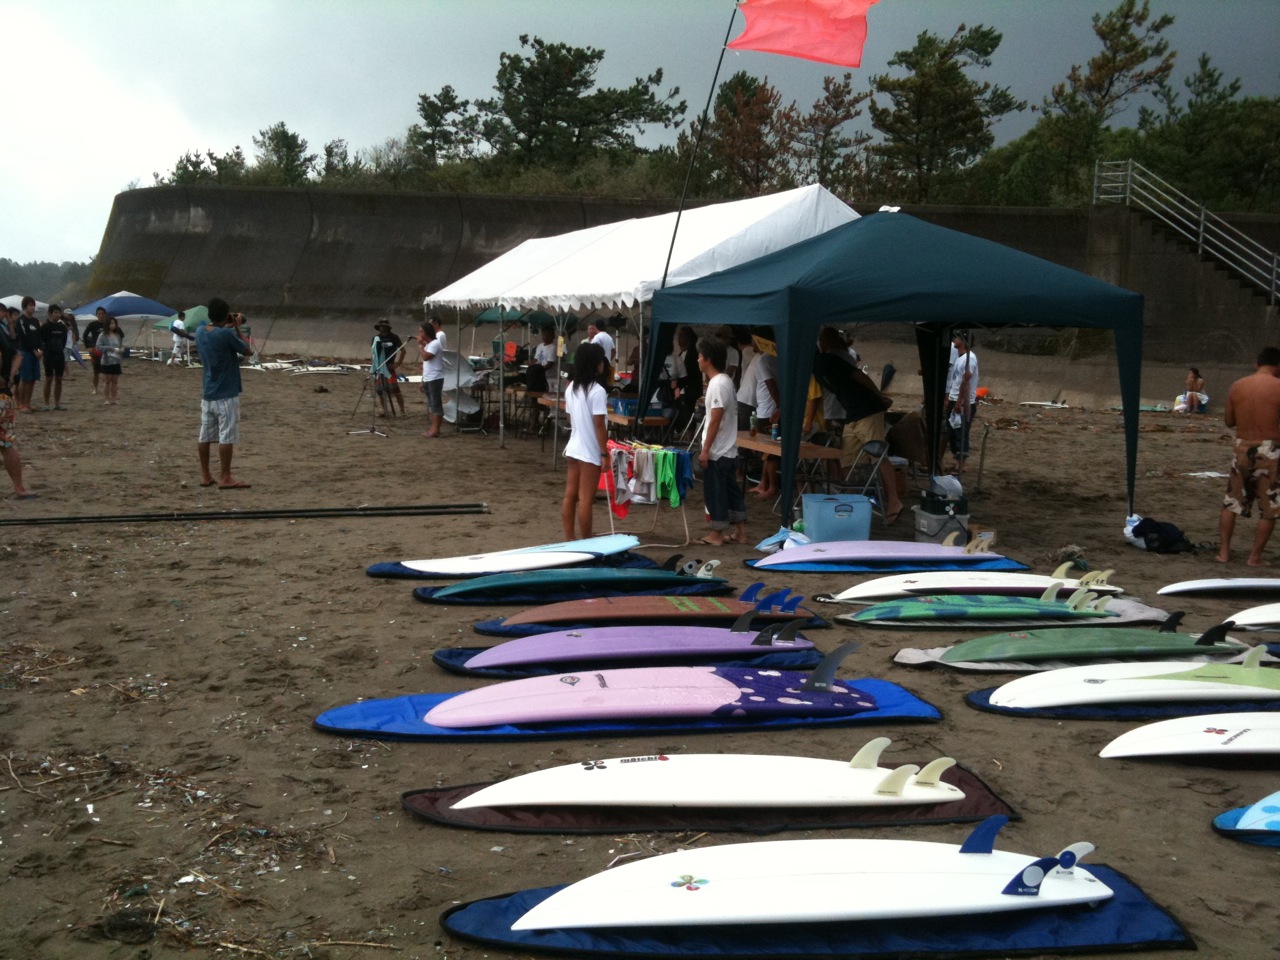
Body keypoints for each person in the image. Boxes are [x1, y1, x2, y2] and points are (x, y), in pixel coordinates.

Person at [812, 326, 904, 523]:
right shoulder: (819, 364)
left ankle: (894, 501)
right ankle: (853, 502)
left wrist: (879, 396)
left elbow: (859, 375)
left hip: (867, 409)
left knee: (878, 455)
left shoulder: (827, 360)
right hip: (852, 413)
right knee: (847, 458)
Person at [1216, 347, 1280, 565]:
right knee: (1269, 507)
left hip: (1243, 446)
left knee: (1231, 502)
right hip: (1270, 449)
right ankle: (1254, 557)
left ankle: (1224, 553)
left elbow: (1229, 421)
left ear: (1257, 364)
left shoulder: (1237, 386)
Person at [195, 297, 252, 489]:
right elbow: (247, 350)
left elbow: (215, 333)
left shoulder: (200, 331)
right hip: (226, 393)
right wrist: (237, 327)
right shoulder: (226, 335)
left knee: (205, 436)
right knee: (226, 435)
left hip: (208, 392)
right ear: (225, 314)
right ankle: (225, 477)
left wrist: (227, 325)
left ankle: (206, 475)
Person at [696, 337, 747, 545]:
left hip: (718, 450)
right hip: (728, 449)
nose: (698, 360)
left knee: (715, 492)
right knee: (732, 491)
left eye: (700, 356)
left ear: (708, 359)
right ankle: (740, 531)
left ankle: (716, 534)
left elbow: (715, 419)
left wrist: (705, 450)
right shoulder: (725, 381)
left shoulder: (717, 384)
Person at [560, 340, 609, 540]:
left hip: (573, 447)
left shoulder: (571, 388)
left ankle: (569, 537)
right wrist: (604, 453)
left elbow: (570, 417)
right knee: (586, 498)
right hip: (589, 450)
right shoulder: (597, 391)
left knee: (570, 495)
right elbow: (599, 425)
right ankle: (586, 539)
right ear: (595, 363)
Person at [946, 333, 979, 473]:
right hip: (954, 398)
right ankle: (957, 461)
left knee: (961, 432)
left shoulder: (969, 359)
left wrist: (960, 401)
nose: (954, 340)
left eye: (957, 338)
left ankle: (962, 464)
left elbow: (966, 381)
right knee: (952, 430)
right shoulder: (960, 358)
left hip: (964, 401)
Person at [0, 377, 34, 498]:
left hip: (2, 398)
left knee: (6, 445)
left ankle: (19, 488)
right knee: (6, 444)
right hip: (4, 397)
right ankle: (19, 488)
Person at [417, 315, 446, 438]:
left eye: (421, 332)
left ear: (427, 332)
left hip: (435, 378)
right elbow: (426, 365)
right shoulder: (428, 345)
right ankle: (433, 428)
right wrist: (422, 380)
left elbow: (426, 357)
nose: (419, 334)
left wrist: (420, 347)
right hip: (428, 378)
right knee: (431, 404)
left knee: (436, 404)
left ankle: (435, 429)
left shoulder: (435, 343)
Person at [372, 319, 405, 417]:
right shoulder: (376, 338)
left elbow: (403, 350)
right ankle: (384, 410)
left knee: (395, 390)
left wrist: (398, 363)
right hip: (379, 367)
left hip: (389, 367)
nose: (382, 328)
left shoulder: (394, 337)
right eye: (380, 326)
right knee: (380, 391)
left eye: (384, 326)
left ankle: (402, 410)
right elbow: (373, 353)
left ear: (387, 327)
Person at [14, 297, 42, 412]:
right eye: (30, 305)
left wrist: (40, 350)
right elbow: (24, 337)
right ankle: (21, 404)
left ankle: (28, 403)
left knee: (33, 379)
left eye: (33, 305)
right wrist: (33, 350)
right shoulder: (21, 320)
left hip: (36, 353)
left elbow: (39, 336)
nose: (32, 307)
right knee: (25, 379)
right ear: (25, 306)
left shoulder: (35, 321)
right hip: (25, 352)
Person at [38, 304, 69, 410]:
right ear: (50, 313)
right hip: (48, 355)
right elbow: (41, 341)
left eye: (59, 313)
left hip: (59, 355)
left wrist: (59, 349)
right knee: (49, 378)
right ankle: (46, 404)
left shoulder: (62, 327)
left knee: (59, 379)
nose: (57, 315)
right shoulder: (45, 327)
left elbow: (64, 341)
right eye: (55, 312)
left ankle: (57, 403)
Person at [97, 315, 125, 405]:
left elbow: (120, 345)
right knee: (107, 380)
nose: (113, 325)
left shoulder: (117, 335)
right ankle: (106, 398)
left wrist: (121, 349)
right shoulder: (102, 335)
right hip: (107, 361)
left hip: (116, 360)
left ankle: (114, 398)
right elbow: (98, 347)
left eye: (114, 323)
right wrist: (109, 348)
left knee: (115, 381)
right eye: (111, 323)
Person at [83, 307, 107, 395]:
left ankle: (105, 388)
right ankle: (95, 388)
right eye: (99, 314)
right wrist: (88, 347)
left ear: (105, 315)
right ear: (96, 315)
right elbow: (85, 335)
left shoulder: (108, 324)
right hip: (95, 350)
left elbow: (116, 334)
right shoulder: (92, 324)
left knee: (106, 371)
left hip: (106, 350)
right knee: (96, 371)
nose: (101, 315)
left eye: (102, 314)